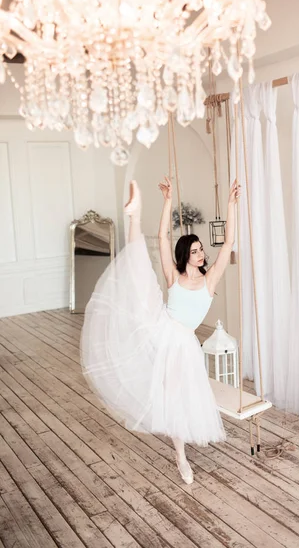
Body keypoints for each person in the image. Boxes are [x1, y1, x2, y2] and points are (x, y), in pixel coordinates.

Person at [81, 177, 240, 484]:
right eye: (195, 250)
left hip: (183, 344)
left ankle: (180, 451)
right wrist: (168, 201)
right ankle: (135, 215)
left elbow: (229, 243)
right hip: (162, 328)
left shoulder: (209, 281)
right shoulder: (174, 275)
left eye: (201, 249)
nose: (201, 253)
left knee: (179, 397)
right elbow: (163, 239)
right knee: (140, 277)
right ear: (186, 256)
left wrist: (232, 206)